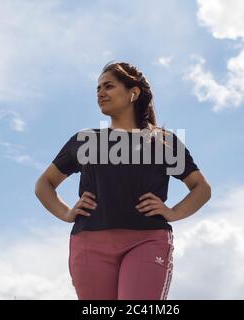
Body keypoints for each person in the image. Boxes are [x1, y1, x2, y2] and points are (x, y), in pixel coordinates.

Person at [35, 61, 211, 300]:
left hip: (147, 240)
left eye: (108, 86)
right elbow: (44, 185)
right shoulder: (86, 140)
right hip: (89, 243)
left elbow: (201, 188)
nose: (100, 93)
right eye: (97, 89)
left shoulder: (162, 142)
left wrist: (172, 212)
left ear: (133, 93)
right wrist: (66, 213)